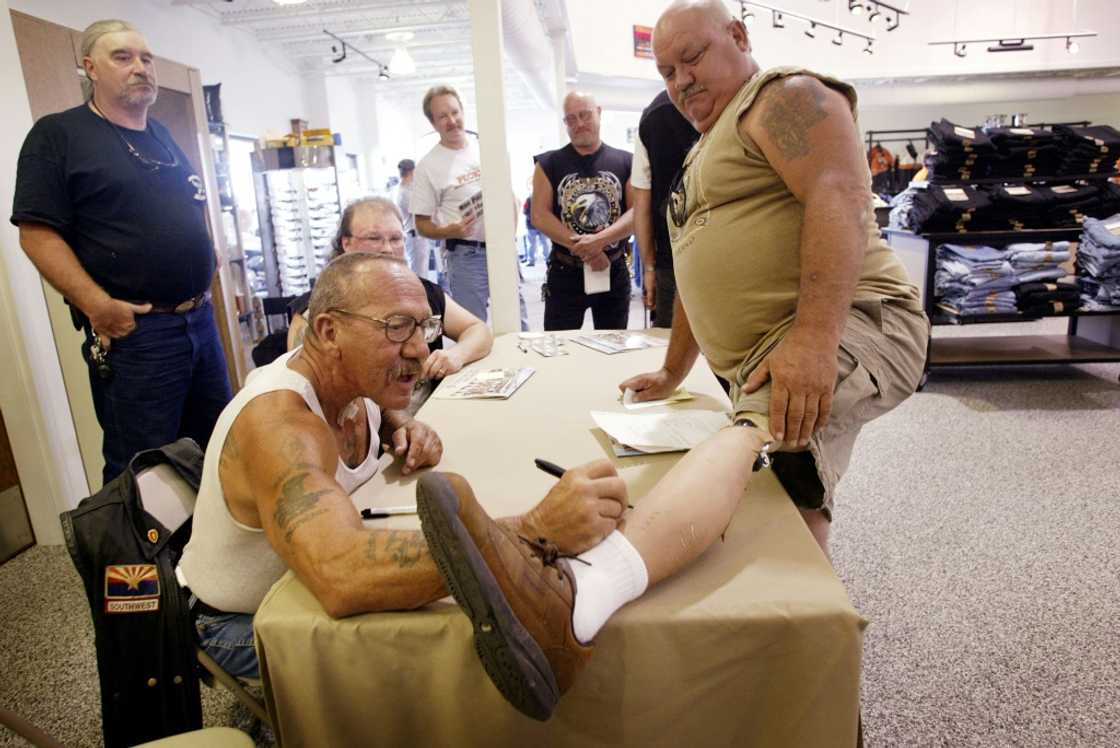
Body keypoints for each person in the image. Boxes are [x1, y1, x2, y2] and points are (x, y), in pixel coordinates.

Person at [412, 0, 929, 722]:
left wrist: (814, 340)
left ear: (739, 37)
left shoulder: (784, 97)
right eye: (666, 71)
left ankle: (579, 598)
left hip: (853, 325)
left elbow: (840, 192)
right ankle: (802, 660)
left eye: (693, 57)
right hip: (768, 348)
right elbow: (694, 266)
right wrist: (675, 368)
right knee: (793, 491)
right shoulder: (707, 150)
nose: (680, 80)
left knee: (748, 435)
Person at [178, 252, 626, 679]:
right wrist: (531, 532)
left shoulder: (350, 381)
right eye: (396, 328)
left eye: (424, 327)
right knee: (461, 641)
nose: (420, 349)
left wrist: (403, 422)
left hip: (297, 587)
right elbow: (341, 575)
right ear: (329, 332)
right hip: (239, 623)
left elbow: (369, 408)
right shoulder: (279, 424)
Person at [11, 19, 232, 485]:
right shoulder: (59, 136)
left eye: (146, 58)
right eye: (123, 57)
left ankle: (201, 537)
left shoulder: (161, 135)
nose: (140, 67)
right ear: (90, 67)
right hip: (139, 335)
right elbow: (36, 234)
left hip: (198, 322)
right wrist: (97, 305)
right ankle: (136, 542)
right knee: (143, 472)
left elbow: (188, 206)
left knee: (216, 450)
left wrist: (206, 252)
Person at [286, 196, 493, 402]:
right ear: (346, 243)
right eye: (374, 238)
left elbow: (478, 329)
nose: (387, 248)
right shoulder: (315, 310)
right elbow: (307, 389)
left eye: (395, 239)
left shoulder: (423, 292)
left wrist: (457, 354)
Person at [411, 84, 528, 329]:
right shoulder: (428, 166)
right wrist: (448, 231)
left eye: (455, 112)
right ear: (433, 123)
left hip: (503, 249)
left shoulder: (488, 149)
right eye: (443, 116)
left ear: (463, 111)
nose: (452, 121)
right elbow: (421, 224)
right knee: (473, 328)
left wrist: (510, 236)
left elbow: (509, 195)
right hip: (466, 257)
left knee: (517, 323)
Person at [532, 92, 635, 331]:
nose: (579, 123)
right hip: (565, 272)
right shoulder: (548, 164)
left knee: (613, 344)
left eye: (585, 115)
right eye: (571, 119)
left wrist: (599, 241)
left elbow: (636, 213)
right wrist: (589, 251)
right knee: (559, 346)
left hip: (613, 269)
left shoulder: (626, 161)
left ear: (599, 112)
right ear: (565, 123)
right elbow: (540, 216)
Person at [630, 90, 698, 327]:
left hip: (673, 257)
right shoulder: (733, 99)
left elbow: (642, 203)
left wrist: (649, 268)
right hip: (719, 253)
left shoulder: (652, 115)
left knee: (669, 339)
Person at [396, 158, 431, 280]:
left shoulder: (408, 188)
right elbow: (420, 209)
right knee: (420, 272)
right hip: (415, 236)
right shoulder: (404, 192)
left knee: (422, 269)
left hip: (418, 235)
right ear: (412, 171)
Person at [521, 196, 550, 267]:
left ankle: (532, 261)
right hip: (540, 224)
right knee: (543, 243)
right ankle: (547, 259)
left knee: (533, 244)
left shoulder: (529, 199)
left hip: (533, 225)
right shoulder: (543, 198)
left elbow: (524, 211)